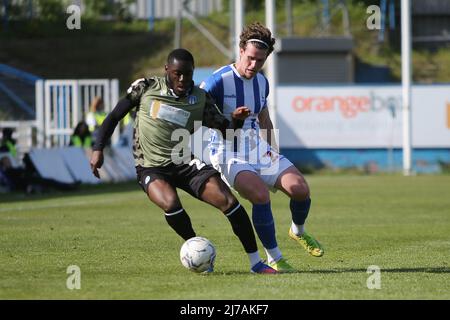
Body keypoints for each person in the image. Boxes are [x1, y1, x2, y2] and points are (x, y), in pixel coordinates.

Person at [89, 48, 277, 274]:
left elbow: (225, 130)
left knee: (229, 202)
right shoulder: (145, 87)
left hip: (186, 163)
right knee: (170, 203)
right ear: (167, 70)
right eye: (177, 73)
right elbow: (113, 116)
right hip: (151, 166)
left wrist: (235, 121)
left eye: (188, 74)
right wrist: (98, 148)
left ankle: (256, 263)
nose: (183, 79)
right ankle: (196, 249)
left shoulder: (199, 98)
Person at [200, 22, 324, 273]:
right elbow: (197, 111)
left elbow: (263, 118)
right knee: (260, 195)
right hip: (227, 152)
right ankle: (274, 257)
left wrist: (274, 152)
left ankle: (297, 231)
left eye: (260, 60)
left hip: (258, 149)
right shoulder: (217, 81)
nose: (254, 65)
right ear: (241, 49)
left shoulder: (261, 83)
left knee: (300, 189)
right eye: (250, 58)